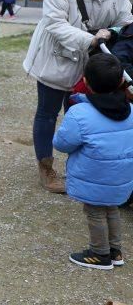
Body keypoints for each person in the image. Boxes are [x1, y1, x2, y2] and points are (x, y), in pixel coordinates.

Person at [23, 0, 133, 194]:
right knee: (48, 113)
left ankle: (80, 167)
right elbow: (54, 23)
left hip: (95, 60)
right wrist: (90, 40)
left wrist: (112, 32)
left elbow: (125, 17)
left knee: (81, 112)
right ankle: (46, 168)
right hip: (58, 56)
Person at [53, 53, 133, 269]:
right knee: (112, 209)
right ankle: (115, 251)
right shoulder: (131, 110)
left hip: (93, 177)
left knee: (95, 212)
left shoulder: (80, 113)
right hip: (122, 179)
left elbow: (61, 144)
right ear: (119, 82)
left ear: (85, 81)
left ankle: (100, 254)